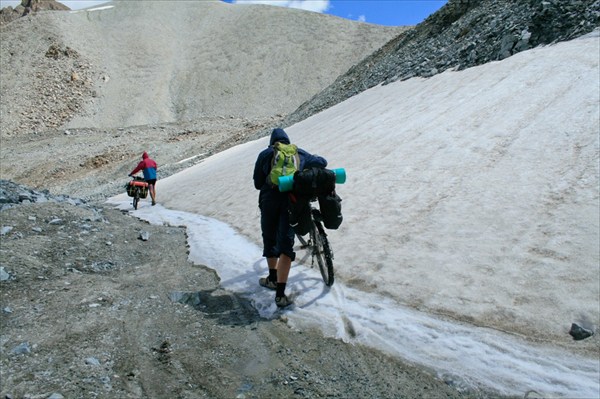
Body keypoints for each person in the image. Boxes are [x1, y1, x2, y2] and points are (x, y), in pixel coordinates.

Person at [253, 128, 327, 308]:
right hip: (291, 202)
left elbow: (257, 183)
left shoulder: (265, 154)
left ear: (272, 142)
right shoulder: (297, 153)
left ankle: (272, 277)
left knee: (269, 238)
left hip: (269, 201)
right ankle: (280, 295)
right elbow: (322, 162)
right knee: (286, 243)